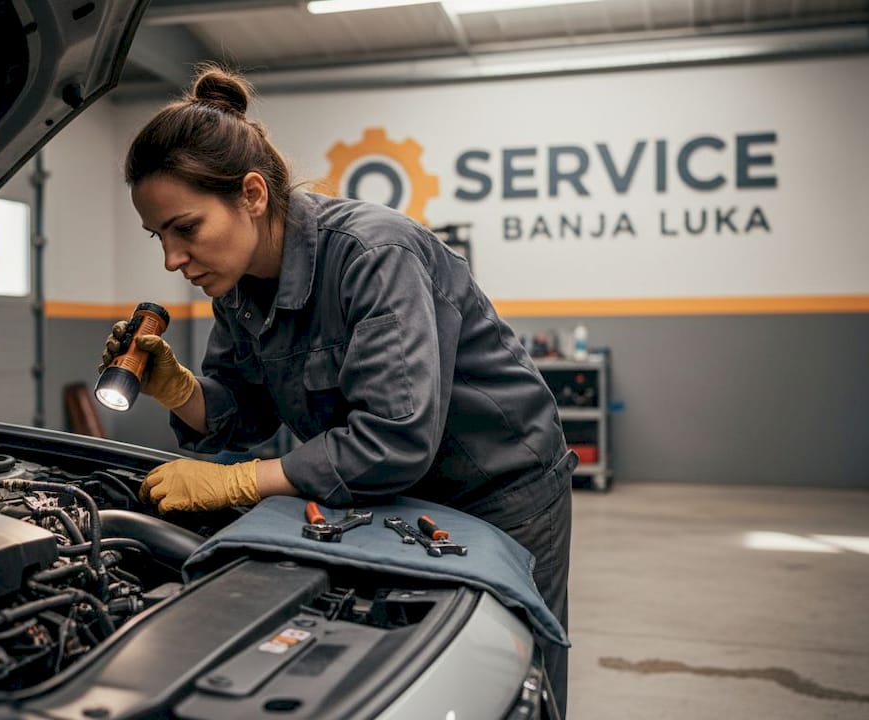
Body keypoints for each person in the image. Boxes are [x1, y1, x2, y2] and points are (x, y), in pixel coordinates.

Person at [99, 64, 575, 716]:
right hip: (385, 488)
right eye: (160, 237)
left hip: (499, 485)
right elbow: (248, 414)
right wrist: (178, 389)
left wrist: (238, 482)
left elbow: (393, 438)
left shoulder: (375, 256)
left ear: (254, 195)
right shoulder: (237, 290)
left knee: (514, 672)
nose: (172, 260)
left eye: (186, 228)